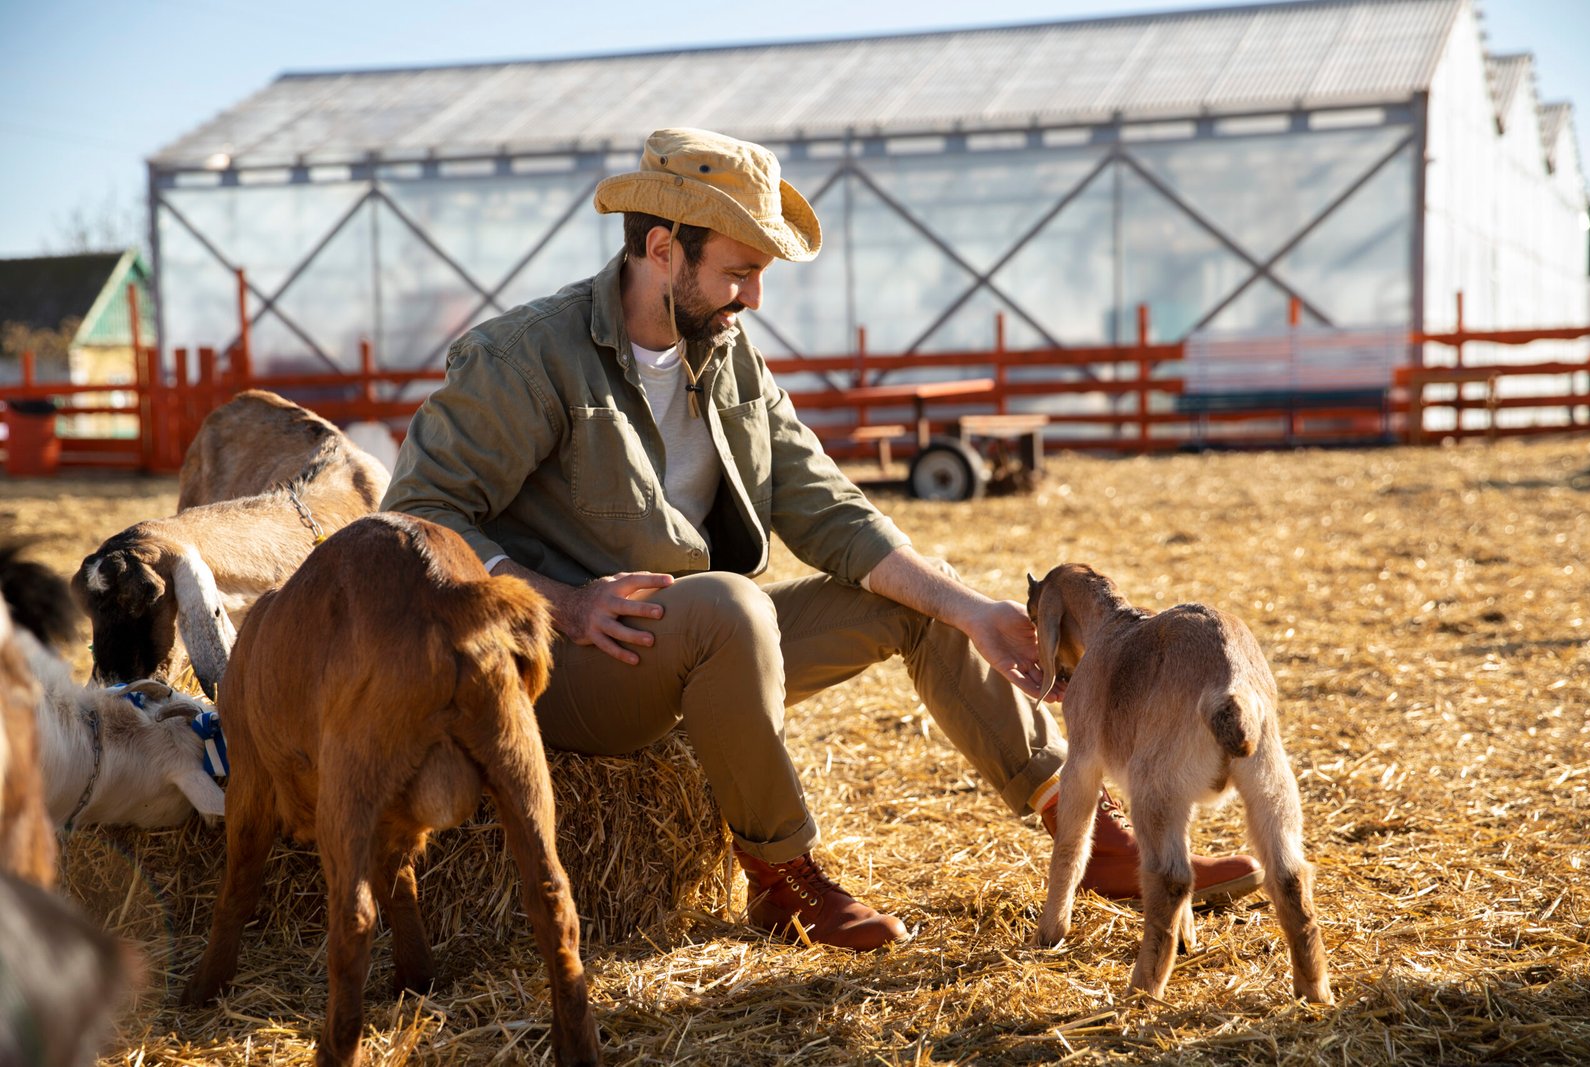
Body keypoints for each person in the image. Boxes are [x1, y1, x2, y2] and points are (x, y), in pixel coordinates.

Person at [382, 127, 1263, 951]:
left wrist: (969, 611)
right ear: (661, 251)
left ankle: (1086, 831)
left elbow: (829, 509)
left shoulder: (730, 357)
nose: (755, 297)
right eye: (739, 271)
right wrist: (565, 604)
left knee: (916, 596)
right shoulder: (528, 357)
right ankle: (779, 874)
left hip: (695, 643)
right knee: (729, 606)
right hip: (558, 662)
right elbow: (414, 518)